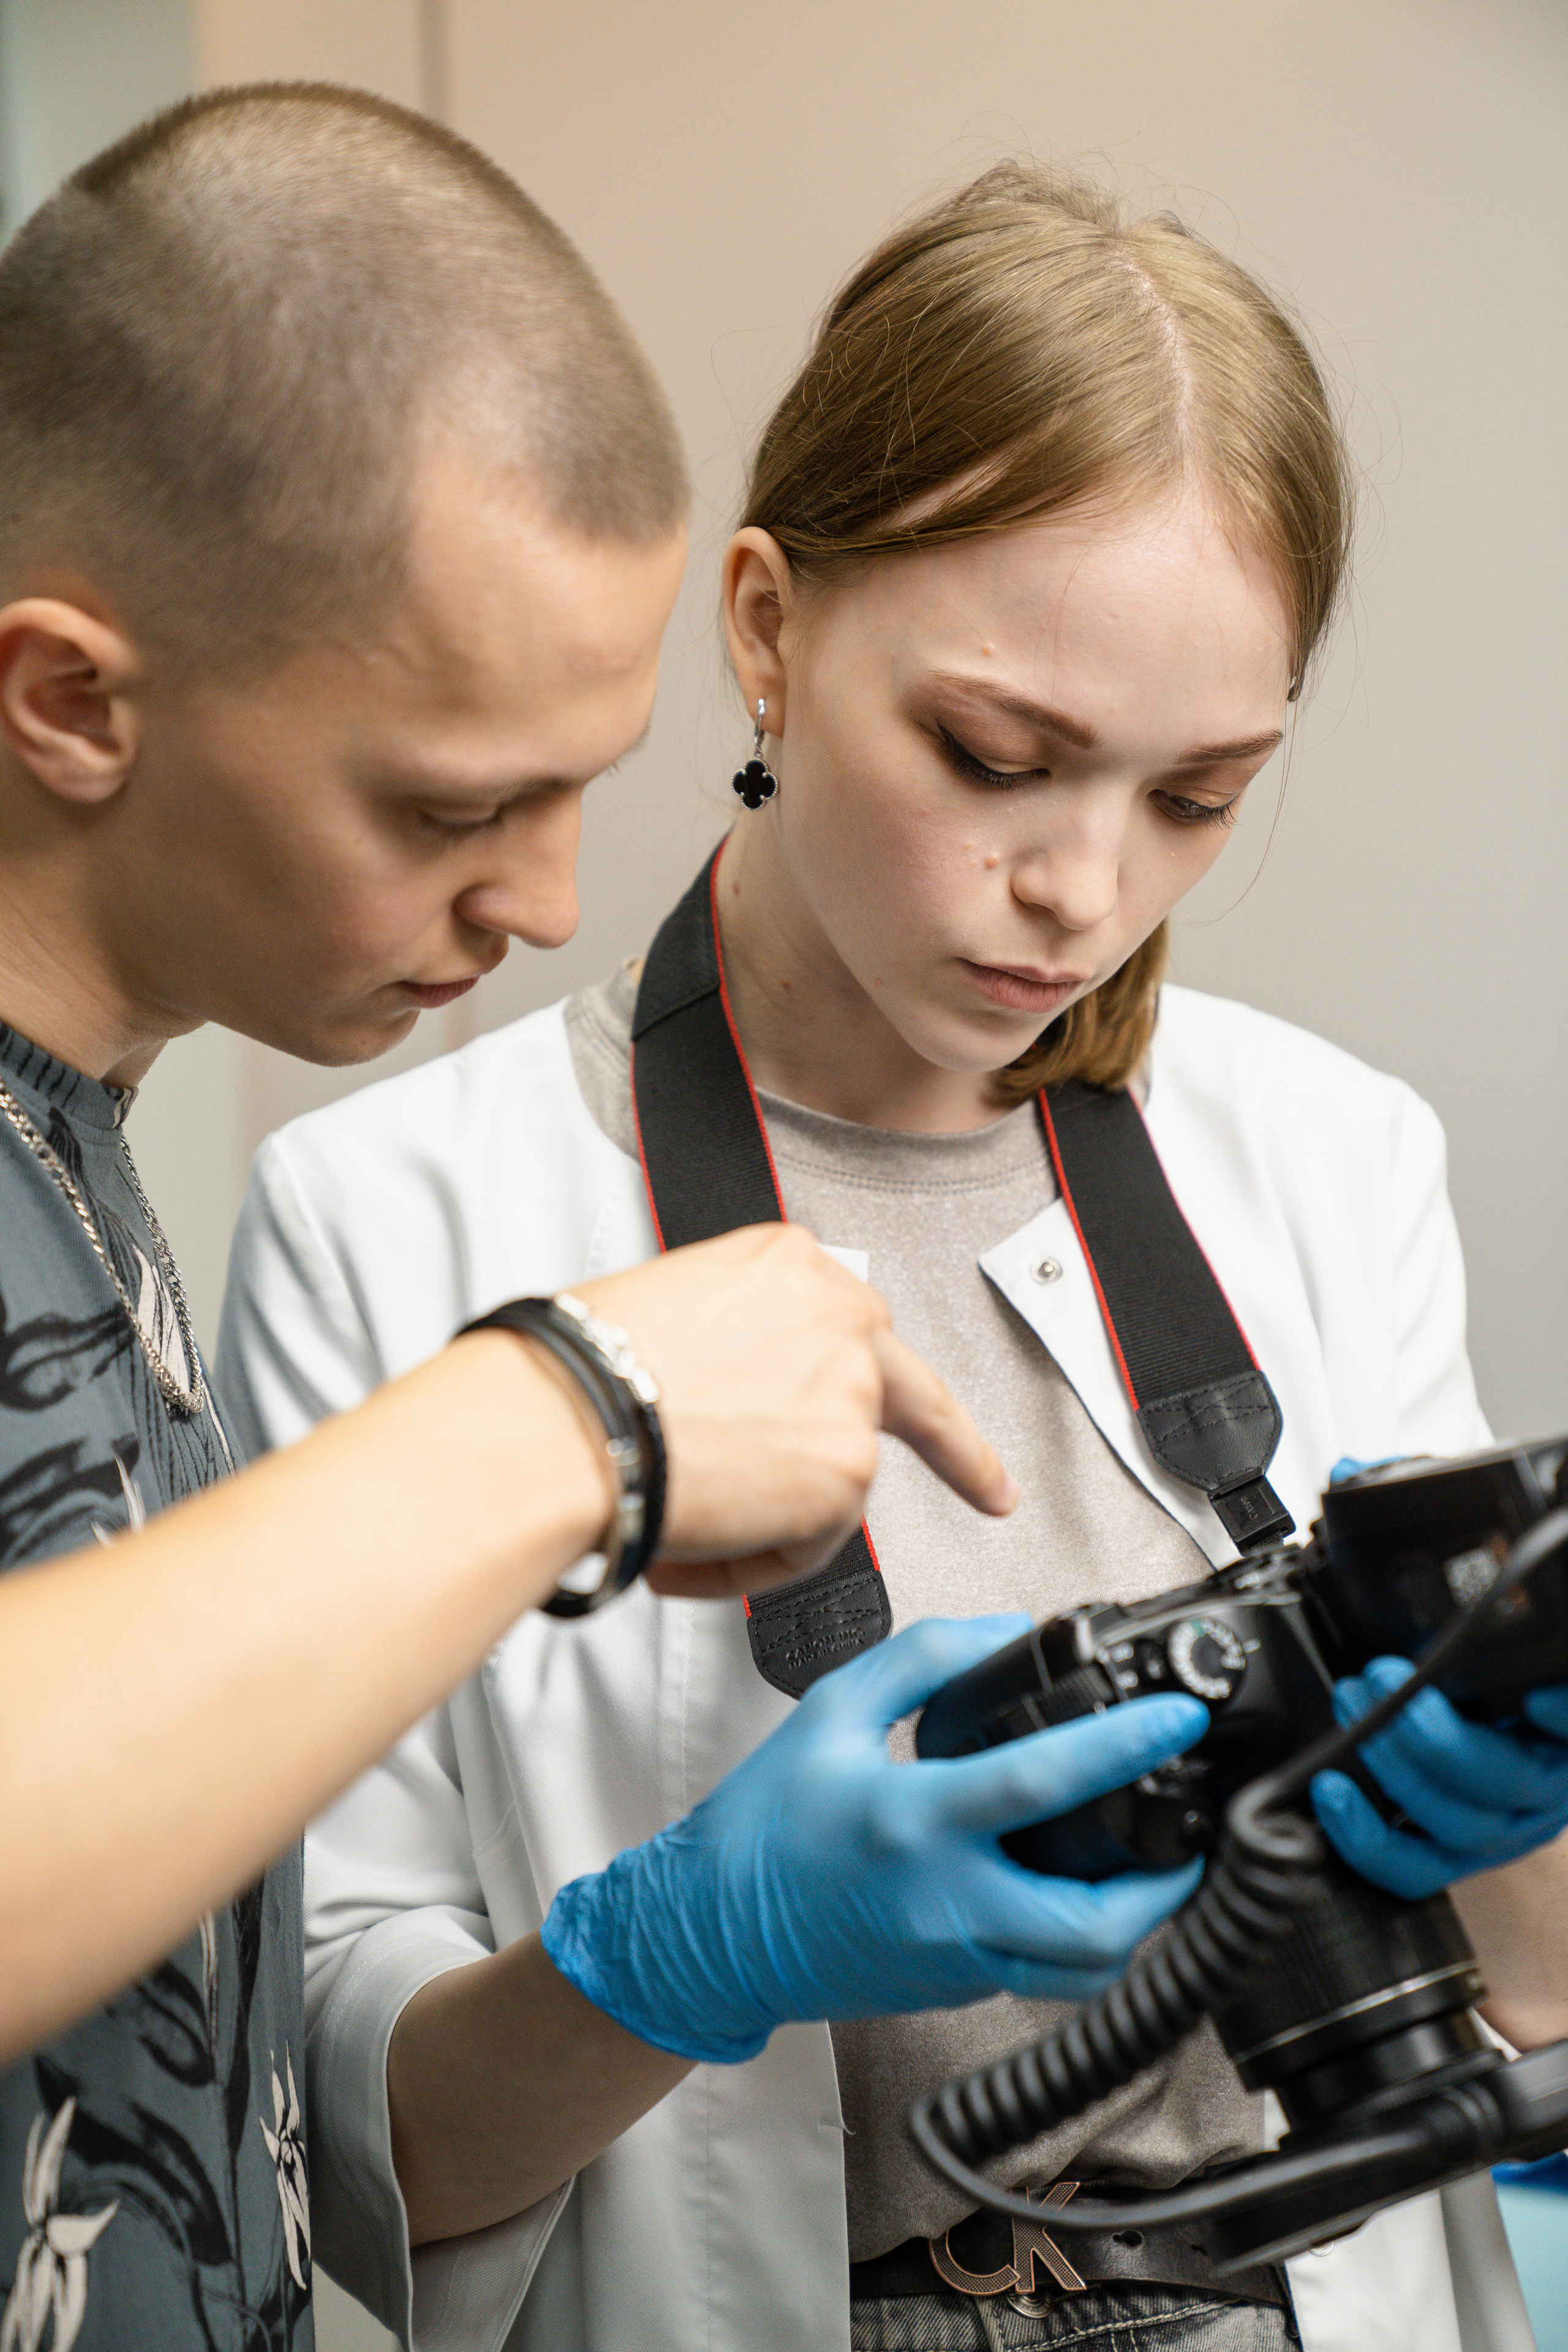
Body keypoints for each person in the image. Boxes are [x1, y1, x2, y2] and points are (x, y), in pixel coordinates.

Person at [219, 164, 1568, 2352]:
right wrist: (672, 1957)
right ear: (764, 623)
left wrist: (1508, 1830)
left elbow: (1523, 2025)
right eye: (994, 756)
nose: (1080, 889)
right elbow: (347, 2158)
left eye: (1197, 797)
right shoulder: (393, 1223)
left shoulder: (1333, 1159)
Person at [0, 93, 1227, 2352]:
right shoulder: (349, 1200)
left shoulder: (78, 1165)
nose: (554, 901)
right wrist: (576, 1414)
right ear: (69, 699)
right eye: (456, 803)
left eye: (1195, 794)